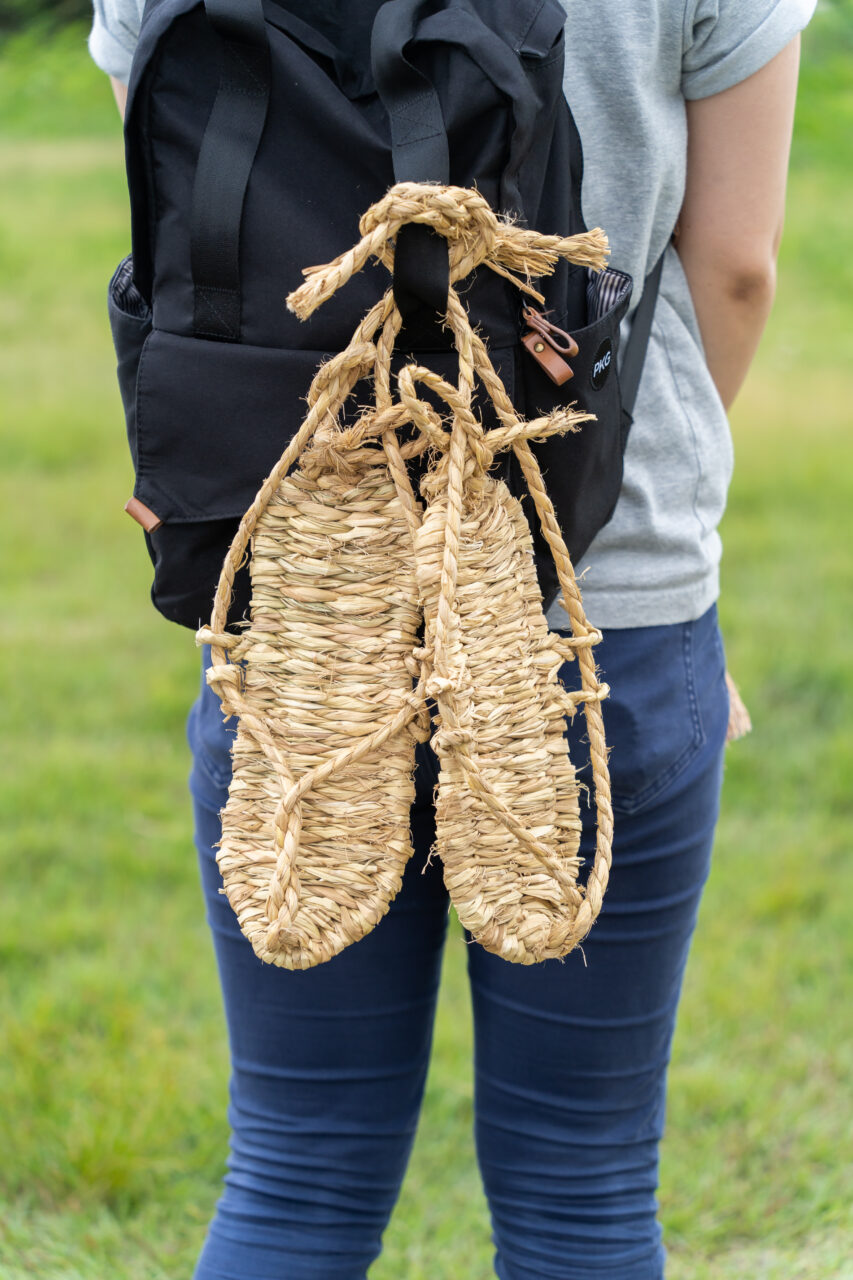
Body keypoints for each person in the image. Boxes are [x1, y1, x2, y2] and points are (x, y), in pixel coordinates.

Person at [88, 2, 813, 1276]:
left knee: (296, 1169)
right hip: (599, 606)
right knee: (583, 1180)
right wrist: (630, 483)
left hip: (308, 616)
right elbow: (736, 268)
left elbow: (194, 222)